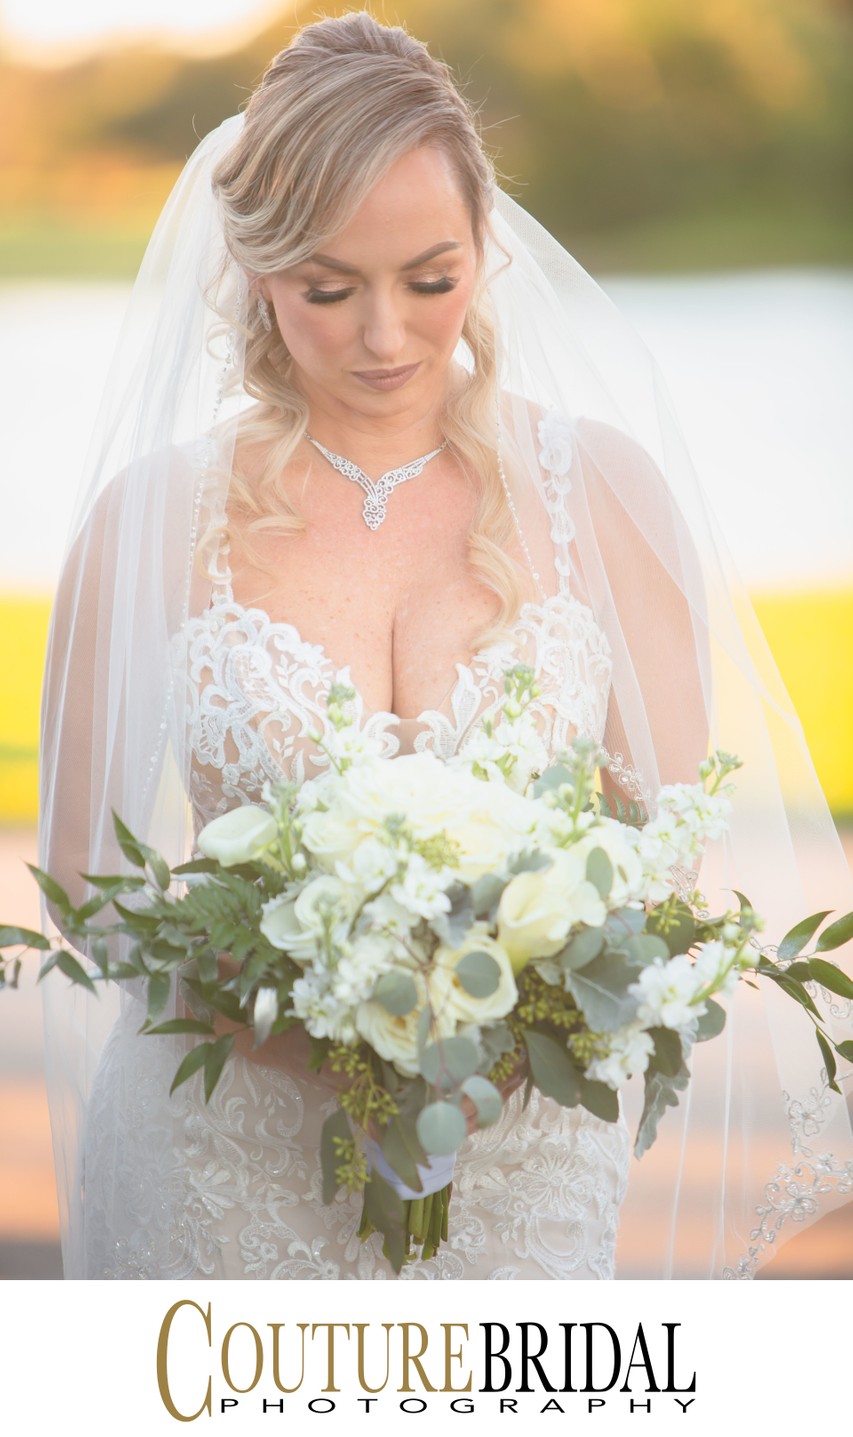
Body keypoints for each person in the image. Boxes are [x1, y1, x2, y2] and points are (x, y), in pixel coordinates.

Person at [38, 13, 853, 1279]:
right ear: (256, 269)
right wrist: (311, 1026)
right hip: (220, 1167)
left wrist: (498, 1019)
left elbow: (665, 851)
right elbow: (89, 887)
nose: (384, 337)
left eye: (430, 277)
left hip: (520, 1170)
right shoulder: (149, 522)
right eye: (328, 288)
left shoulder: (608, 498)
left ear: (485, 246)